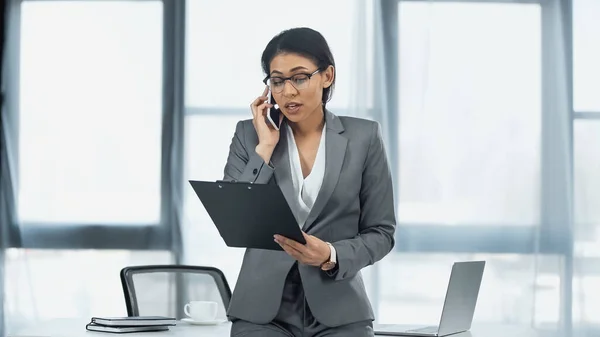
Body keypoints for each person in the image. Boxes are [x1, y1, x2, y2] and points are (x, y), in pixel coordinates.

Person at [223, 27, 396, 337]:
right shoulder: (249, 135)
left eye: (299, 78)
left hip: (339, 310)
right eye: (277, 81)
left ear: (327, 76)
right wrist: (264, 148)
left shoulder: (364, 137)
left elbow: (382, 232)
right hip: (263, 313)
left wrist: (331, 254)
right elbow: (235, 217)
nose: (288, 92)